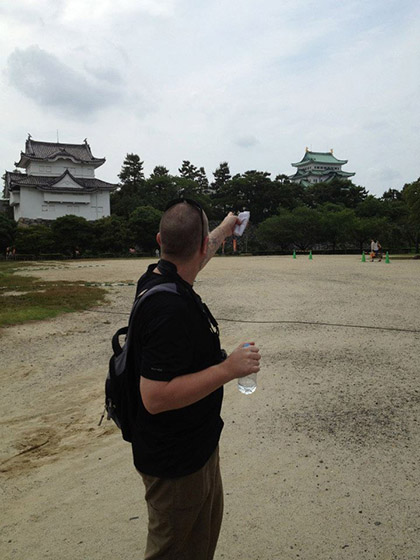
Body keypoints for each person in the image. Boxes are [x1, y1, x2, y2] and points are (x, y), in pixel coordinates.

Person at [130, 198, 261, 560]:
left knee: (198, 546)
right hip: (175, 464)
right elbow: (154, 397)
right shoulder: (168, 308)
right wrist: (228, 369)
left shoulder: (158, 278)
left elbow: (194, 258)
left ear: (160, 240)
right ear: (200, 245)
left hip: (194, 448)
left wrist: (223, 227)